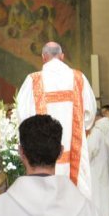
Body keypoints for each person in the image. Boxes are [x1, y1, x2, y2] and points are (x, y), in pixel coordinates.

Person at [16, 40, 97, 196]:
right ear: (62, 56)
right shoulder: (79, 79)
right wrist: (79, 131)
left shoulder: (33, 80)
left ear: (43, 57)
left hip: (41, 153)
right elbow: (89, 115)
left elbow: (23, 117)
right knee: (76, 193)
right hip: (75, 150)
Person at [86, 107, 109, 216]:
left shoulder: (97, 130)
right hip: (108, 164)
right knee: (106, 192)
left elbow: (90, 149)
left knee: (97, 192)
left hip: (96, 166)